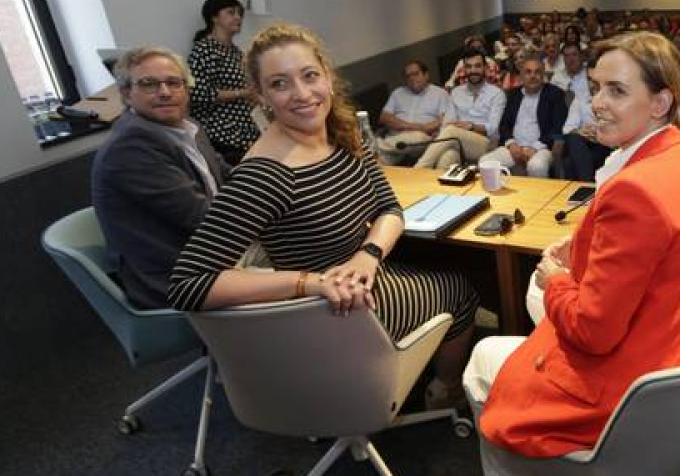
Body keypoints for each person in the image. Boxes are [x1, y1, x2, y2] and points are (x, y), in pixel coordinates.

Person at [168, 22, 479, 410]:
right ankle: (445, 392)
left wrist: (368, 254)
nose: (302, 94)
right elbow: (188, 284)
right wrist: (311, 283)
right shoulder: (266, 173)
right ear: (261, 96)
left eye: (310, 76)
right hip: (337, 312)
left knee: (450, 259)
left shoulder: (342, 134)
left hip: (363, 278)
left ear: (328, 77)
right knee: (461, 288)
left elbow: (389, 209)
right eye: (280, 84)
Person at [463, 31, 680, 467]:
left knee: (484, 355)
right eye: (596, 88)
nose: (597, 103)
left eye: (616, 91)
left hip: (637, 380)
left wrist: (556, 281)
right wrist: (585, 246)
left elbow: (593, 332)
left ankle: (513, 465)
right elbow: (651, 245)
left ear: (660, 103)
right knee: (535, 298)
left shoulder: (636, 190)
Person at [91, 46, 229, 309]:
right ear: (126, 94)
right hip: (178, 279)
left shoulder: (189, 128)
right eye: (149, 84)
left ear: (186, 89)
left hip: (211, 255)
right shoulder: (131, 145)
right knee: (303, 280)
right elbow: (204, 218)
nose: (165, 92)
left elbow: (228, 176)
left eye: (174, 83)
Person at [188, 0, 259, 164]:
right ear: (214, 17)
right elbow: (196, 93)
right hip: (222, 135)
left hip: (244, 132)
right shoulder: (204, 49)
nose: (238, 17)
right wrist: (243, 93)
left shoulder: (236, 52)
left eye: (239, 14)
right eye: (231, 12)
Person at [414, 47, 506, 170]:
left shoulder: (497, 94)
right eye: (469, 66)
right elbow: (447, 122)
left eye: (477, 66)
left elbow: (493, 128)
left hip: (486, 144)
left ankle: (418, 169)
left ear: (485, 68)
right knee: (446, 158)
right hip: (458, 140)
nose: (473, 70)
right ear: (464, 69)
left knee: (451, 131)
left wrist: (471, 126)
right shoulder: (456, 92)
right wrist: (456, 127)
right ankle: (431, 181)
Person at [481, 57, 567, 178]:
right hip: (514, 147)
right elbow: (504, 125)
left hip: (542, 148)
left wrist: (535, 148)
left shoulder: (554, 94)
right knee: (485, 162)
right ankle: (503, 189)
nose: (533, 76)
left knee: (536, 166)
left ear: (543, 75)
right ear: (521, 75)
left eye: (537, 72)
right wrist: (511, 144)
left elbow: (557, 127)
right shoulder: (513, 94)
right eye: (528, 72)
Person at [374, 60, 451, 165]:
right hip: (395, 140)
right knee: (377, 163)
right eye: (408, 76)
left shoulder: (440, 94)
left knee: (417, 137)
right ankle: (375, 152)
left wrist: (423, 129)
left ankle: (374, 147)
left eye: (415, 74)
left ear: (426, 75)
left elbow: (444, 120)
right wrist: (414, 126)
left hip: (422, 139)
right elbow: (384, 117)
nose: (412, 78)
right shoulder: (398, 93)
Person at [560, 85, 610, 182]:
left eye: (595, 82)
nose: (592, 84)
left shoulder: (613, 100)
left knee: (569, 163)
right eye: (589, 80)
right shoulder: (580, 98)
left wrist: (599, 133)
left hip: (604, 143)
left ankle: (585, 184)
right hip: (582, 144)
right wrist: (580, 131)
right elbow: (567, 129)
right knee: (574, 138)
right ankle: (588, 183)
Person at [550, 42, 590, 107]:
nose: (571, 59)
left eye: (574, 54)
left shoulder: (589, 75)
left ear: (581, 56)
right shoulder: (556, 78)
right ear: (563, 59)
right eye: (567, 56)